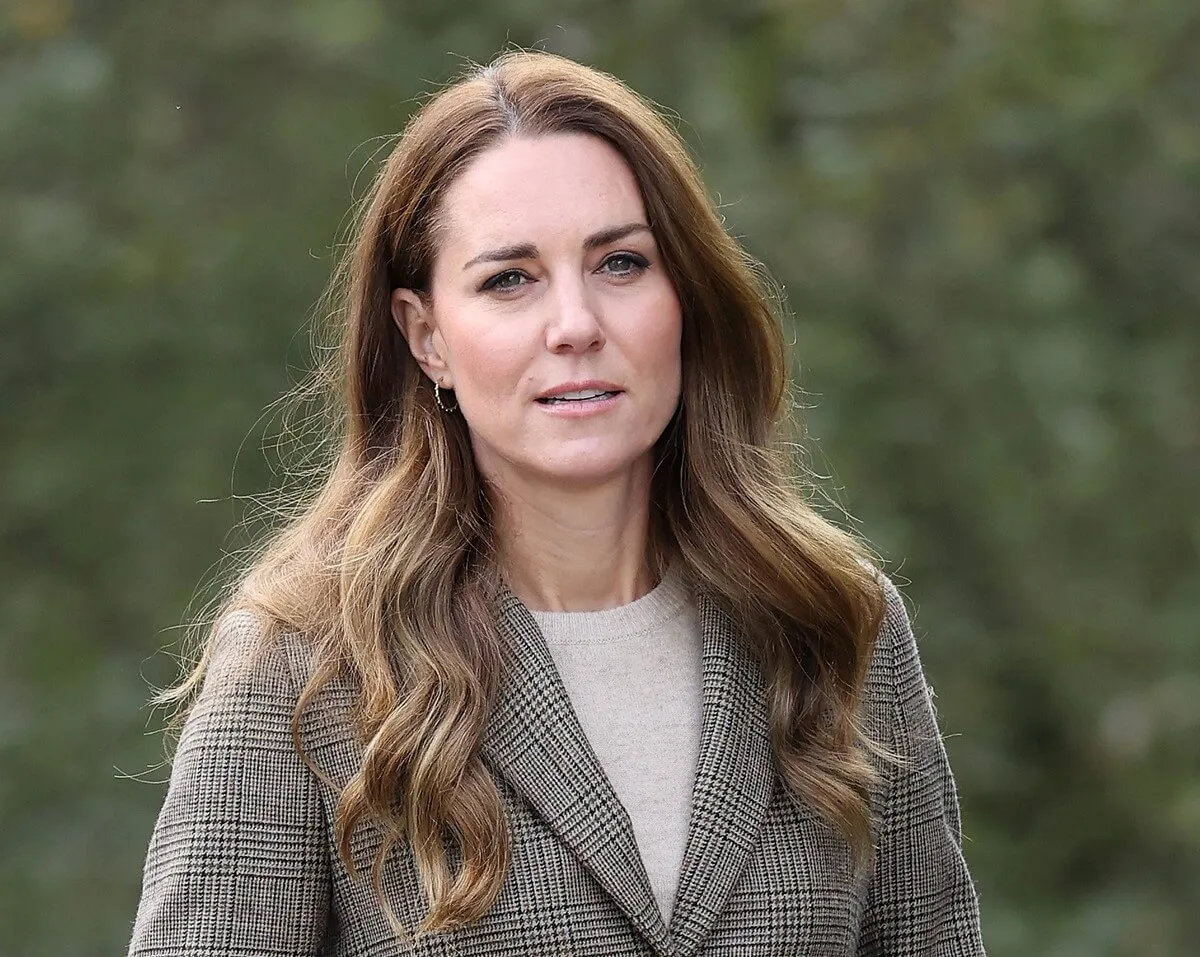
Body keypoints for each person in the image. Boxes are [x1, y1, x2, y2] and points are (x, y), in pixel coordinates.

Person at [128, 49, 985, 956]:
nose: (575, 324)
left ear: (683, 298)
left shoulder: (832, 620)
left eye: (620, 263)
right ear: (427, 338)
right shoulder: (302, 667)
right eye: (510, 279)